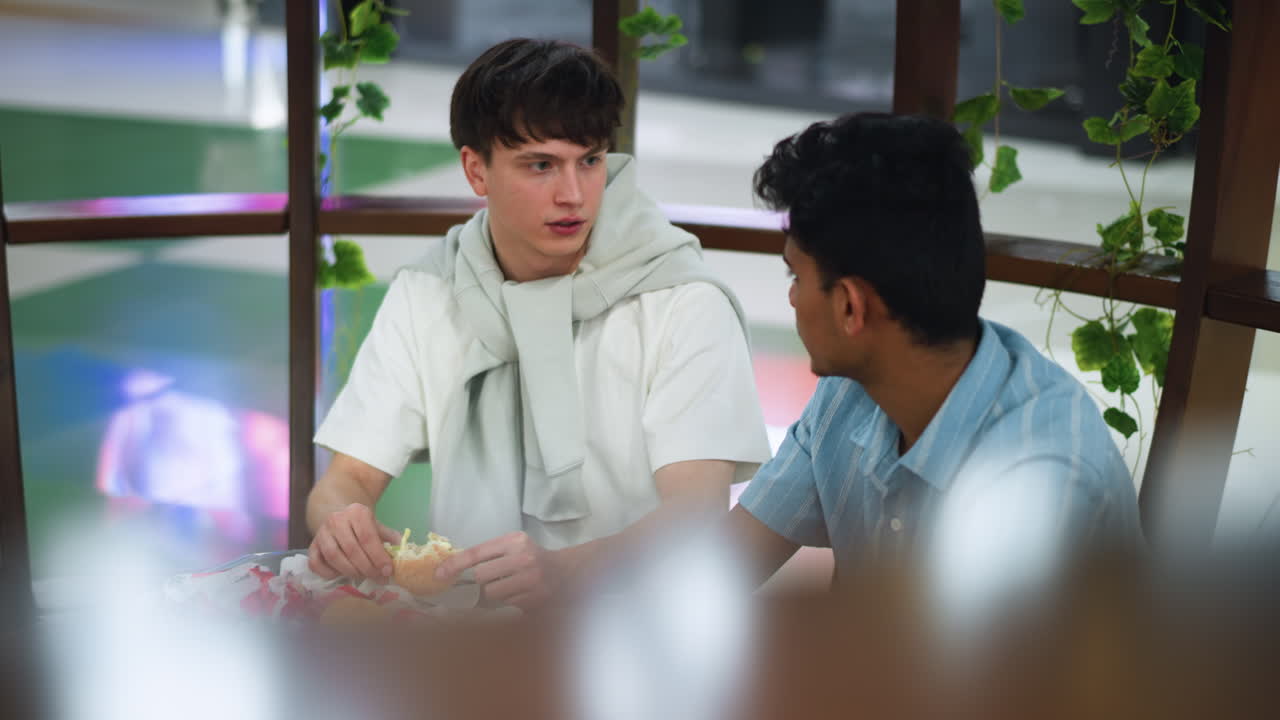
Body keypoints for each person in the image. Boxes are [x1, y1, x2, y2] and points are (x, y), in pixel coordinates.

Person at [306, 38, 772, 607]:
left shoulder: (680, 299)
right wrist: (339, 521)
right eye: (541, 165)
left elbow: (695, 514)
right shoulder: (429, 292)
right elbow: (344, 482)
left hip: (639, 634)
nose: (573, 194)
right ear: (475, 170)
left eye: (591, 161)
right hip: (468, 638)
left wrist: (564, 572)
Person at [726, 112, 1141, 589]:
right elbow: (726, 564)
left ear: (850, 307)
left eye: (795, 277)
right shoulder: (850, 390)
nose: (792, 298)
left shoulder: (1041, 481)